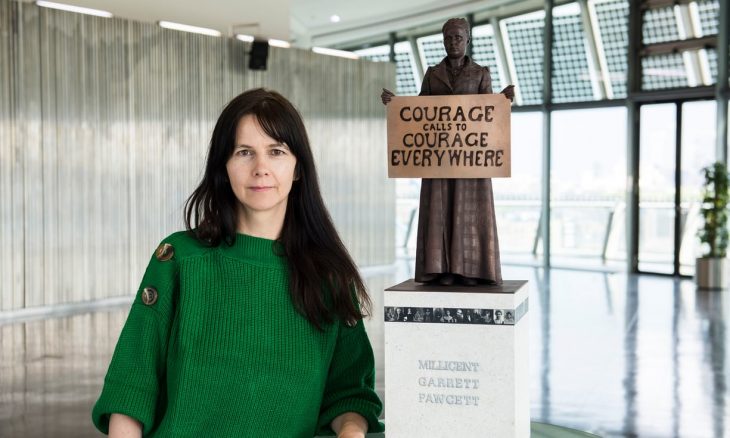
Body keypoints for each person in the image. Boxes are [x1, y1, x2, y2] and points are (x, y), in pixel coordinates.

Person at [91, 89, 383, 438]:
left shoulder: (329, 277)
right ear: (223, 166)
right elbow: (132, 385)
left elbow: (349, 394)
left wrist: (351, 432)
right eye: (244, 152)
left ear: (297, 168)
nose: (261, 169)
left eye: (276, 152)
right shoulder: (179, 259)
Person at [382, 17, 514, 287]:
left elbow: (487, 114)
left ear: (467, 39)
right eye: (447, 38)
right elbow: (419, 114)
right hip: (438, 159)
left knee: (470, 212)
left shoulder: (480, 74)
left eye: (457, 37)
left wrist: (502, 99)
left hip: (470, 161)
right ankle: (440, 269)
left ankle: (471, 270)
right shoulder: (432, 74)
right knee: (439, 212)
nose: (452, 42)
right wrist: (396, 104)